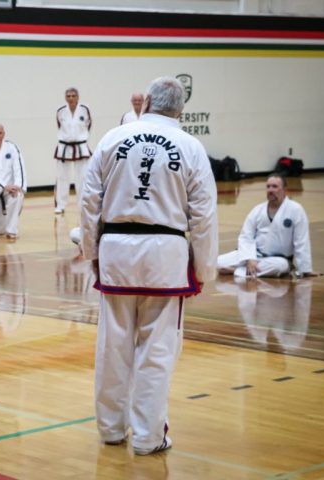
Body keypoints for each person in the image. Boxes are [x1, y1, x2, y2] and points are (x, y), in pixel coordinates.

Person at [80, 76, 218, 455]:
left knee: (113, 344)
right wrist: (204, 269)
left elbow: (89, 201)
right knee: (156, 350)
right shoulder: (190, 146)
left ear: (146, 104)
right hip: (165, 254)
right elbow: (203, 214)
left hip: (116, 250)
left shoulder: (113, 139)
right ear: (181, 111)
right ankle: (147, 437)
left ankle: (111, 429)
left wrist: (92, 251)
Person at [217, 173, 321, 278]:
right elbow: (246, 236)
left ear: (285, 190)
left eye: (275, 187)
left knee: (279, 267)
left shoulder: (296, 210)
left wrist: (306, 269)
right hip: (254, 255)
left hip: (278, 259)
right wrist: (250, 258)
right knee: (218, 262)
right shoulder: (258, 210)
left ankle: (236, 271)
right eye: (268, 186)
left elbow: (301, 241)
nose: (270, 190)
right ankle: (247, 270)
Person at [54, 87, 92, 214]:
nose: (71, 98)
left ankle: (83, 205)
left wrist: (81, 137)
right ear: (65, 98)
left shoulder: (85, 109)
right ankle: (60, 205)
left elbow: (88, 125)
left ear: (78, 97)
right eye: (68, 96)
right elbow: (59, 126)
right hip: (64, 146)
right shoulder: (60, 111)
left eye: (73, 96)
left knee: (82, 177)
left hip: (81, 146)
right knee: (61, 177)